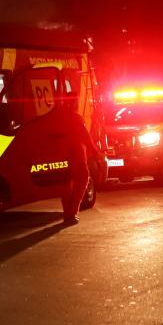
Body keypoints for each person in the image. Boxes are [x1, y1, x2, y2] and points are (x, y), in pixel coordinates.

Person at [50, 90, 105, 225]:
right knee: (82, 180)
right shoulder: (76, 119)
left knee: (66, 185)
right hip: (77, 156)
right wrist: (97, 153)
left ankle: (67, 212)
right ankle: (72, 212)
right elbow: (86, 138)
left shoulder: (58, 119)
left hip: (62, 156)